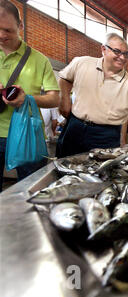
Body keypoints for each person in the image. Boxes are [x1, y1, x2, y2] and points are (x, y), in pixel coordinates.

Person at [0, 0, 60, 192]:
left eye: (8, 30)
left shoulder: (39, 60)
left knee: (31, 191)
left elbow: (54, 98)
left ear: (21, 26)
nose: (2, 35)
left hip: (28, 135)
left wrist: (27, 99)